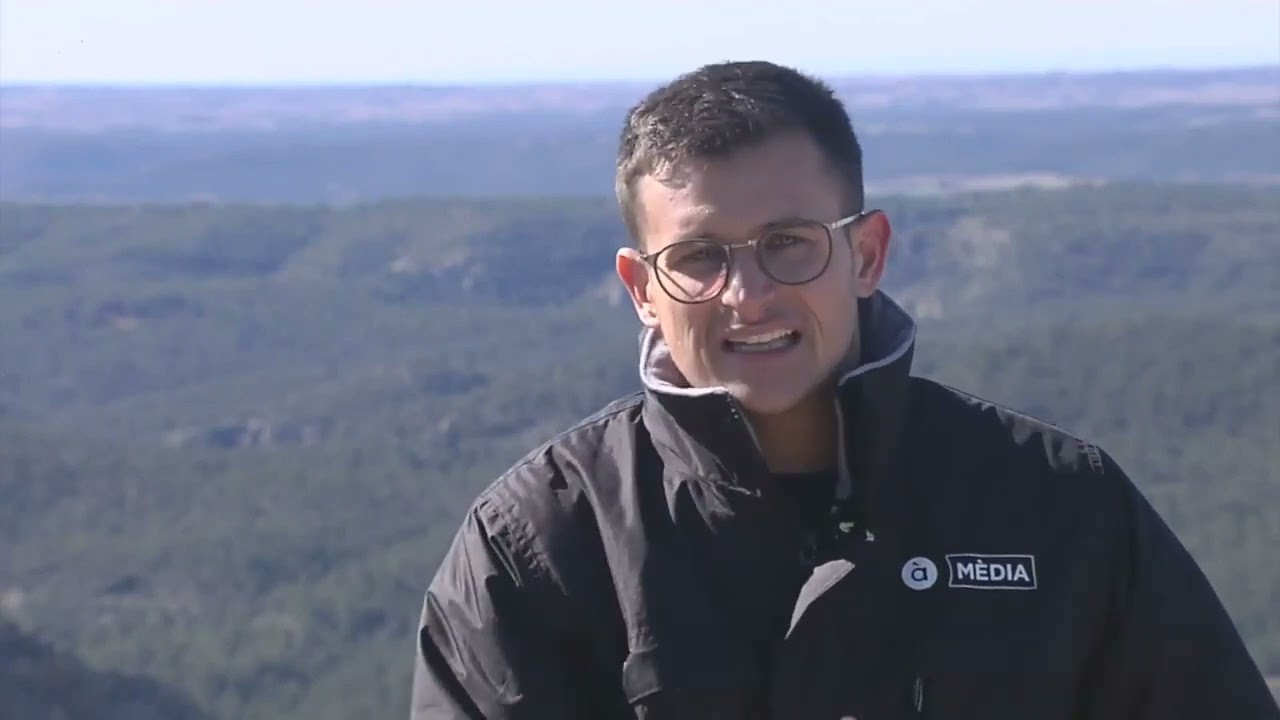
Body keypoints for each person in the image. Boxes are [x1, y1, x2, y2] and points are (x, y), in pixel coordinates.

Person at [409, 60, 1278, 719]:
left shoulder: (1059, 507)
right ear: (643, 288)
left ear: (866, 255)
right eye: (699, 257)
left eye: (790, 243)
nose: (747, 296)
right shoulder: (539, 550)